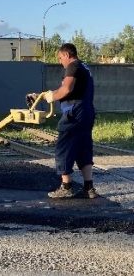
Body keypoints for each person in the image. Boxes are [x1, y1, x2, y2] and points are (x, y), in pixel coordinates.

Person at [43, 43, 98, 199]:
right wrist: (52, 93)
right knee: (83, 148)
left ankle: (66, 187)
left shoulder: (73, 66)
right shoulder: (84, 67)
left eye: (60, 58)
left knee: (64, 147)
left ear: (67, 55)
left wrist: (52, 96)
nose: (60, 62)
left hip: (75, 112)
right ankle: (89, 188)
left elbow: (67, 89)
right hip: (87, 111)